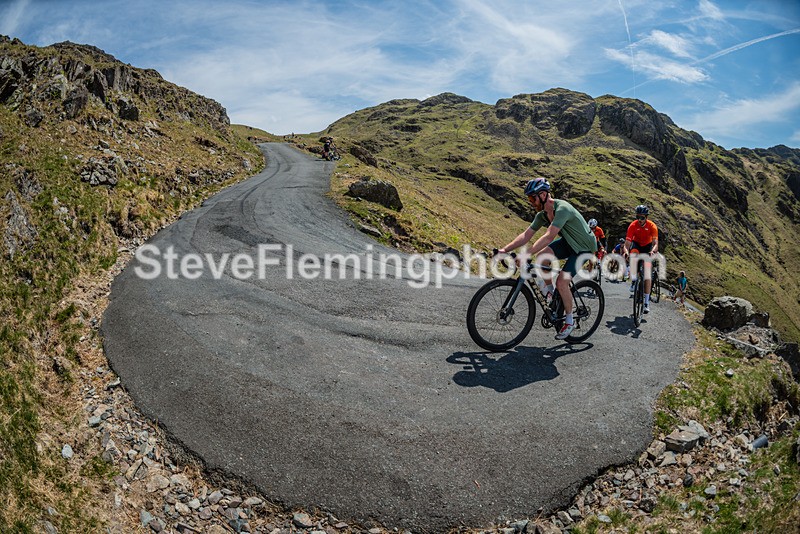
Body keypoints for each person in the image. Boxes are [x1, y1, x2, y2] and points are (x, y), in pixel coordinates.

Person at [497, 177, 597, 340]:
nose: (530, 202)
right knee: (542, 257)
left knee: (562, 282)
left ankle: (570, 321)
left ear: (543, 195)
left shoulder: (562, 208)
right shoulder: (542, 214)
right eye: (529, 198)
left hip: (584, 247)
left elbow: (549, 235)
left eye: (532, 198)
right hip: (569, 242)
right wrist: (504, 249)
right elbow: (526, 235)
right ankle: (551, 295)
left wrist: (525, 254)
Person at [623, 205, 659, 313]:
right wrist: (626, 253)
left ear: (646, 217)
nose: (640, 220)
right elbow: (627, 244)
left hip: (648, 247)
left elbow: (655, 244)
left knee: (647, 275)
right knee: (633, 255)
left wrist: (652, 251)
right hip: (637, 245)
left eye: (642, 217)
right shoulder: (633, 226)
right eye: (638, 217)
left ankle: (647, 302)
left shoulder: (652, 226)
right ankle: (635, 280)